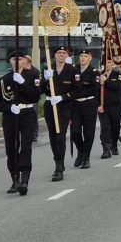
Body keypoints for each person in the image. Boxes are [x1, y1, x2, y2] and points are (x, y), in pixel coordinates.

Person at [0, 49, 42, 196]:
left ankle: (24, 180)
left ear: (25, 61)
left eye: (20, 59)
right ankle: (15, 179)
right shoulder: (4, 79)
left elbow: (35, 96)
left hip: (27, 113)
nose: (17, 61)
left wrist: (23, 82)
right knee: (11, 148)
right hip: (10, 115)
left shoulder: (33, 75)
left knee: (25, 147)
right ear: (10, 62)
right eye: (13, 59)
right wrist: (9, 107)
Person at [66, 47, 100, 169]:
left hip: (89, 105)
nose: (83, 58)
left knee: (89, 133)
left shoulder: (94, 72)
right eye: (81, 56)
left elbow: (94, 89)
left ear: (90, 58)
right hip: (75, 105)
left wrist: (78, 93)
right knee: (75, 132)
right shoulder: (73, 69)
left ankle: (86, 158)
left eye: (85, 56)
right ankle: (81, 151)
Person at [41, 46, 71, 180]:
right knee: (53, 136)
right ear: (54, 55)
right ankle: (57, 160)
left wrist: (62, 97)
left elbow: (77, 91)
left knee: (60, 136)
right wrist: (46, 79)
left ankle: (59, 167)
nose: (61, 55)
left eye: (64, 53)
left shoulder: (72, 70)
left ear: (67, 56)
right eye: (58, 52)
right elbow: (40, 89)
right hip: (50, 105)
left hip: (64, 105)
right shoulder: (47, 69)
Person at [98, 52, 121, 159]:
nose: (108, 64)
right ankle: (106, 149)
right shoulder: (99, 75)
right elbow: (96, 91)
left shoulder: (118, 74)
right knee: (104, 127)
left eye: (110, 62)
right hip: (103, 106)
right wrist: (98, 104)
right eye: (106, 62)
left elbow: (118, 87)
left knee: (115, 127)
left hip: (115, 105)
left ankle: (114, 145)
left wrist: (106, 81)